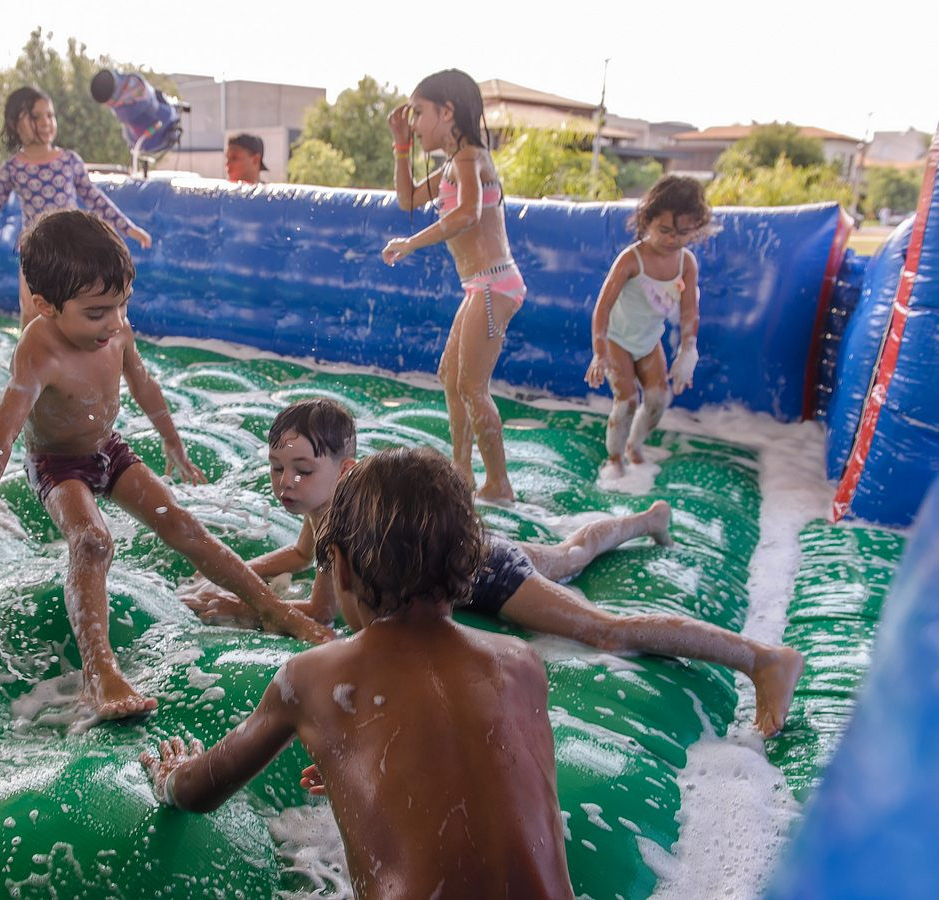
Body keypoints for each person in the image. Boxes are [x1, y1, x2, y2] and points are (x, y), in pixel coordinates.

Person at [183, 398, 805, 737]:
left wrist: (245, 607)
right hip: (469, 546)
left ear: (344, 470)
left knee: (602, 629)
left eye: (302, 471)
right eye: (277, 469)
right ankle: (646, 519)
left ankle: (761, 659)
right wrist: (235, 573)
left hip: (485, 574)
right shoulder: (326, 508)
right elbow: (300, 556)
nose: (286, 483)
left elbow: (321, 612)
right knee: (569, 556)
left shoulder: (345, 520)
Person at [0, 210, 332, 723]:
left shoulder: (115, 331)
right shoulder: (38, 350)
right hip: (57, 464)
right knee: (92, 541)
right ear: (46, 305)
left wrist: (172, 443)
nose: (115, 322)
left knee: (183, 523)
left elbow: (142, 383)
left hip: (107, 449)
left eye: (123, 304)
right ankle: (100, 673)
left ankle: (274, 611)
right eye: (97, 312)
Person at [143, 447, 575, 899]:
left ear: (343, 568)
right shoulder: (521, 663)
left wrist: (173, 776)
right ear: (470, 558)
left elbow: (200, 791)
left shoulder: (311, 678)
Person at [383, 69, 525, 504]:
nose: (414, 122)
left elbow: (467, 214)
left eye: (419, 112)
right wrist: (401, 147)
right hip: (480, 285)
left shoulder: (469, 157)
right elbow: (407, 199)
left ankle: (498, 484)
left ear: (447, 112)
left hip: (494, 284)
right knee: (451, 377)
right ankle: (461, 472)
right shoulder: (451, 164)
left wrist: (411, 243)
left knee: (472, 387)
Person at [0, 86, 153, 331]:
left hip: (72, 251)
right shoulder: (13, 168)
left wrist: (128, 228)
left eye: (50, 115)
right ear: (14, 123)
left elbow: (95, 198)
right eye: (36, 116)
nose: (46, 122)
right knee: (31, 312)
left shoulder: (68, 161)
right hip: (35, 252)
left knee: (74, 307)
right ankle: (28, 353)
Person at [584, 175, 711, 476]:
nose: (672, 239)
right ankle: (615, 461)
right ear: (646, 221)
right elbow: (603, 307)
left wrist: (688, 351)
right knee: (627, 401)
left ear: (695, 228)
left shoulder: (686, 263)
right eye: (664, 230)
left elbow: (689, 311)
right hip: (616, 339)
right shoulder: (631, 260)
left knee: (657, 400)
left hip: (648, 341)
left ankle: (634, 445)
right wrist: (599, 353)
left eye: (683, 233)